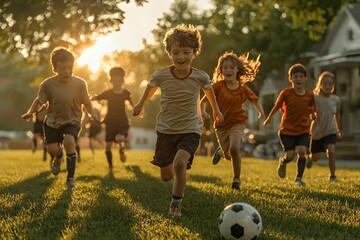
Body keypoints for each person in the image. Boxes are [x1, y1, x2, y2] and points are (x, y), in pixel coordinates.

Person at [133, 24, 223, 217]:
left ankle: (176, 203)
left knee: (180, 163)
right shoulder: (161, 75)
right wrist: (140, 104)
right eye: (176, 52)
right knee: (166, 175)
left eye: (186, 52)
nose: (181, 57)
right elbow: (150, 88)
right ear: (169, 53)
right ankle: (177, 178)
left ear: (194, 53)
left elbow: (209, 91)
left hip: (190, 129)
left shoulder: (200, 77)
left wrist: (216, 110)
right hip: (165, 130)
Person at [22, 46, 99, 189]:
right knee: (52, 149)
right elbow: (39, 101)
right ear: (55, 69)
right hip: (52, 122)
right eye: (62, 68)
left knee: (69, 142)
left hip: (73, 120)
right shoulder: (48, 84)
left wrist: (91, 113)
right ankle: (58, 157)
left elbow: (87, 102)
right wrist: (30, 112)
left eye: (70, 68)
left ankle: (70, 179)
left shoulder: (80, 84)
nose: (67, 71)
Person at [201, 52, 265, 190]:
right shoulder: (217, 86)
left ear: (237, 69)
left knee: (235, 148)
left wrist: (261, 112)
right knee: (229, 156)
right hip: (221, 126)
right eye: (225, 68)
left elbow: (255, 100)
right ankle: (221, 151)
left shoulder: (243, 89)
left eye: (231, 67)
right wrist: (203, 111)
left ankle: (236, 179)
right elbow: (203, 101)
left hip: (237, 123)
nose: (228, 70)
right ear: (221, 70)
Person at [263, 63, 315, 187]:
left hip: (303, 129)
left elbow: (312, 108)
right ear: (290, 79)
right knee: (290, 155)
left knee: (302, 151)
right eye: (295, 76)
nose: (298, 79)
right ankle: (283, 161)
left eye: (301, 76)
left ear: (305, 79)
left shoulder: (309, 95)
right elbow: (277, 107)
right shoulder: (286, 93)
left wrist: (313, 115)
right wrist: (268, 118)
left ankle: (299, 178)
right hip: (287, 130)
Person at [92, 67, 134, 169]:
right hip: (110, 122)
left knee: (120, 138)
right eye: (115, 80)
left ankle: (121, 149)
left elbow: (133, 104)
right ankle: (110, 166)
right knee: (108, 147)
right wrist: (88, 99)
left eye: (120, 80)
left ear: (123, 81)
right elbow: (97, 97)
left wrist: (138, 110)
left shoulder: (126, 93)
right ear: (111, 81)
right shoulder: (108, 93)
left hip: (122, 121)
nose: (118, 83)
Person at [306, 71, 342, 182]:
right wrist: (311, 116)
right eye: (325, 83)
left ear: (333, 85)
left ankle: (332, 176)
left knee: (331, 150)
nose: (327, 86)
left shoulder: (336, 100)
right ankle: (310, 158)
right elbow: (309, 112)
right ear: (320, 85)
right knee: (315, 157)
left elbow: (337, 115)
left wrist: (339, 130)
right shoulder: (315, 98)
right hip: (317, 132)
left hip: (330, 130)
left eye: (330, 84)